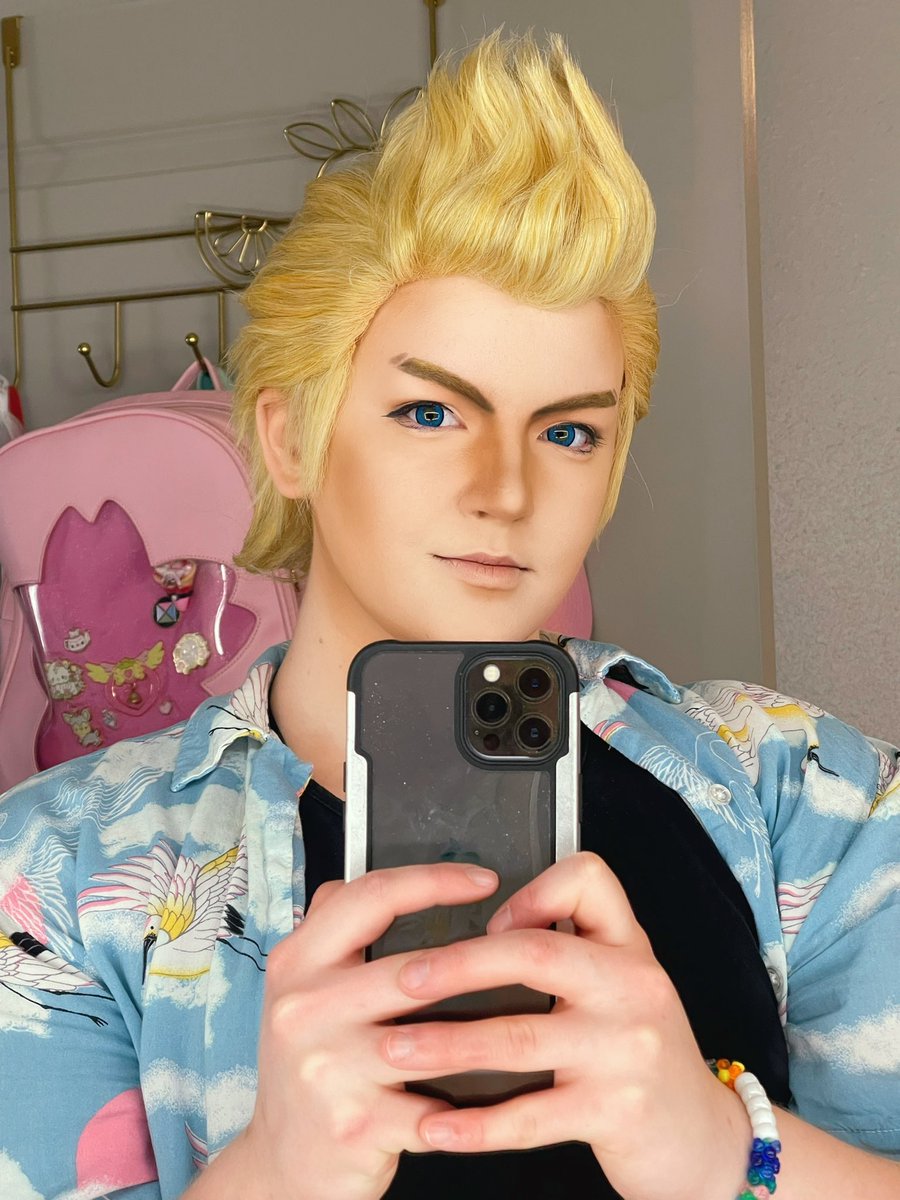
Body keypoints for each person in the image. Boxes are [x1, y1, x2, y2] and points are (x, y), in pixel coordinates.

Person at [0, 31, 897, 1200]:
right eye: (431, 414)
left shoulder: (806, 797)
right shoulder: (50, 878)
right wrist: (272, 1177)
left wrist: (726, 1151)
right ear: (290, 437)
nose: (505, 489)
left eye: (568, 431)